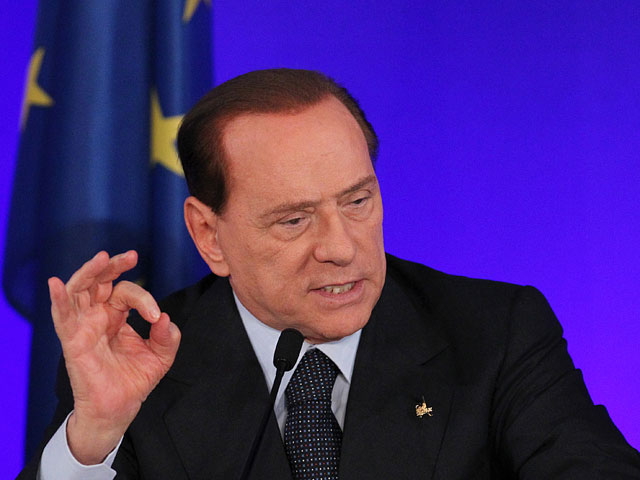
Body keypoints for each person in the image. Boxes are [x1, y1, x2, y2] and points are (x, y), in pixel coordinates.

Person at [18, 69, 640, 479]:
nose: (342, 248)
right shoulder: (138, 365)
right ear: (209, 235)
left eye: (358, 201)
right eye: (294, 220)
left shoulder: (495, 332)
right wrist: (94, 436)